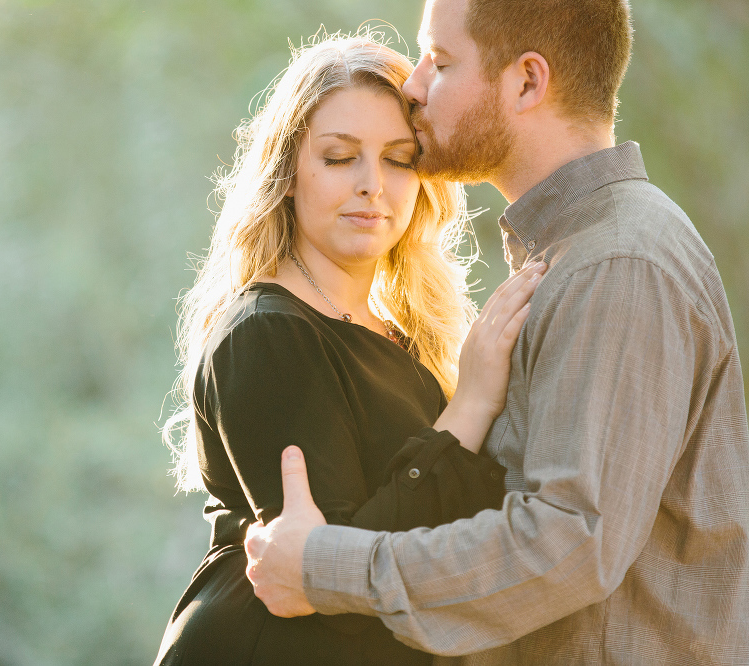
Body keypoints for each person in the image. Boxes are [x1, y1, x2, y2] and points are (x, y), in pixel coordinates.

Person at [245, 0, 749, 663]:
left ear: (527, 82)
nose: (414, 85)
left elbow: (568, 542)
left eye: (442, 62)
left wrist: (325, 566)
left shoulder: (619, 264)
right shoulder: (575, 255)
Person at [154, 31, 547, 665]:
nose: (372, 184)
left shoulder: (398, 334)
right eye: (339, 157)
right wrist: (471, 403)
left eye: (397, 158)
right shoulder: (268, 333)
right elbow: (336, 582)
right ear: (286, 175)